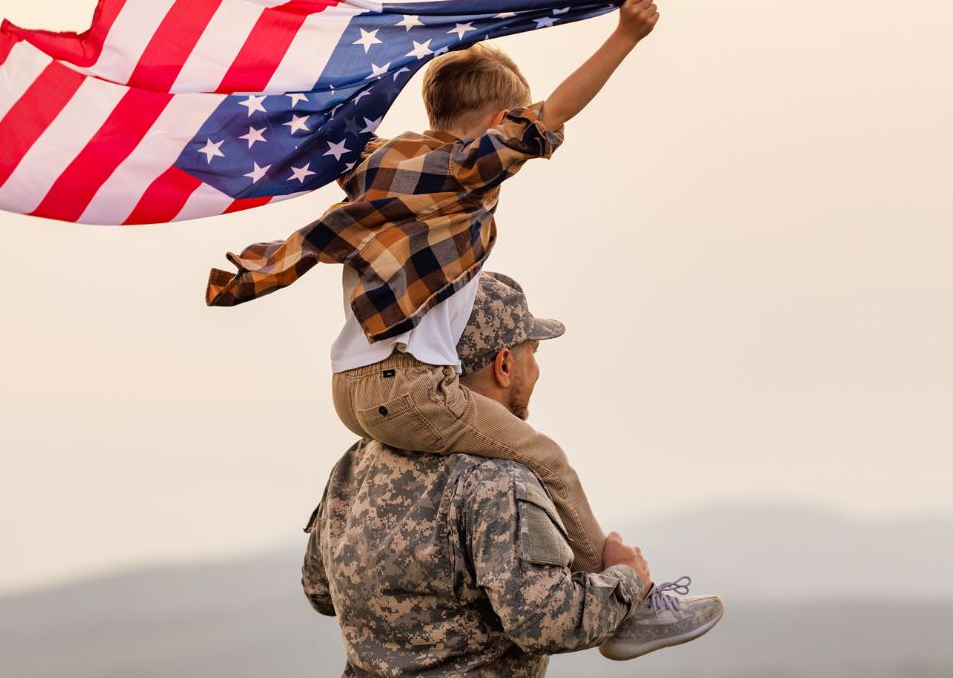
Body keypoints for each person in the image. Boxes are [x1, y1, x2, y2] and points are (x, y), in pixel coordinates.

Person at [213, 0, 660, 573]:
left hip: (349, 388)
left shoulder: (382, 159)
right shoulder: (465, 168)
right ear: (501, 122)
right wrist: (625, 36)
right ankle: (623, 591)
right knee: (546, 459)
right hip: (410, 386)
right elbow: (553, 114)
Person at [302, 272, 723, 675]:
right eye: (532, 355)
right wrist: (628, 581)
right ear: (504, 365)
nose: (536, 371)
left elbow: (319, 590)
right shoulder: (499, 481)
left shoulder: (356, 463)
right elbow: (545, 620)